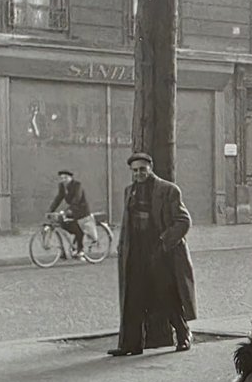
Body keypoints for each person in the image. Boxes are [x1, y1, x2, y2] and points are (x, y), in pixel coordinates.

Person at [108, 152, 197, 357]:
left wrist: (163, 241)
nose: (139, 173)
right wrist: (123, 247)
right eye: (135, 171)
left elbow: (184, 221)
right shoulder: (129, 192)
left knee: (168, 296)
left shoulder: (168, 190)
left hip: (160, 253)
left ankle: (184, 335)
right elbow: (128, 223)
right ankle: (131, 345)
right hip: (136, 253)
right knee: (134, 298)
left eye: (142, 169)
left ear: (150, 168)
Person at [49, 169, 90, 259]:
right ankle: (70, 248)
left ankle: (81, 250)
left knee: (78, 230)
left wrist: (69, 210)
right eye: (62, 178)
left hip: (81, 210)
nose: (64, 180)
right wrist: (51, 210)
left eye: (66, 178)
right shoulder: (62, 186)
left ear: (71, 178)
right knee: (63, 224)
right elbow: (59, 198)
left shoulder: (77, 185)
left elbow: (77, 198)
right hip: (71, 210)